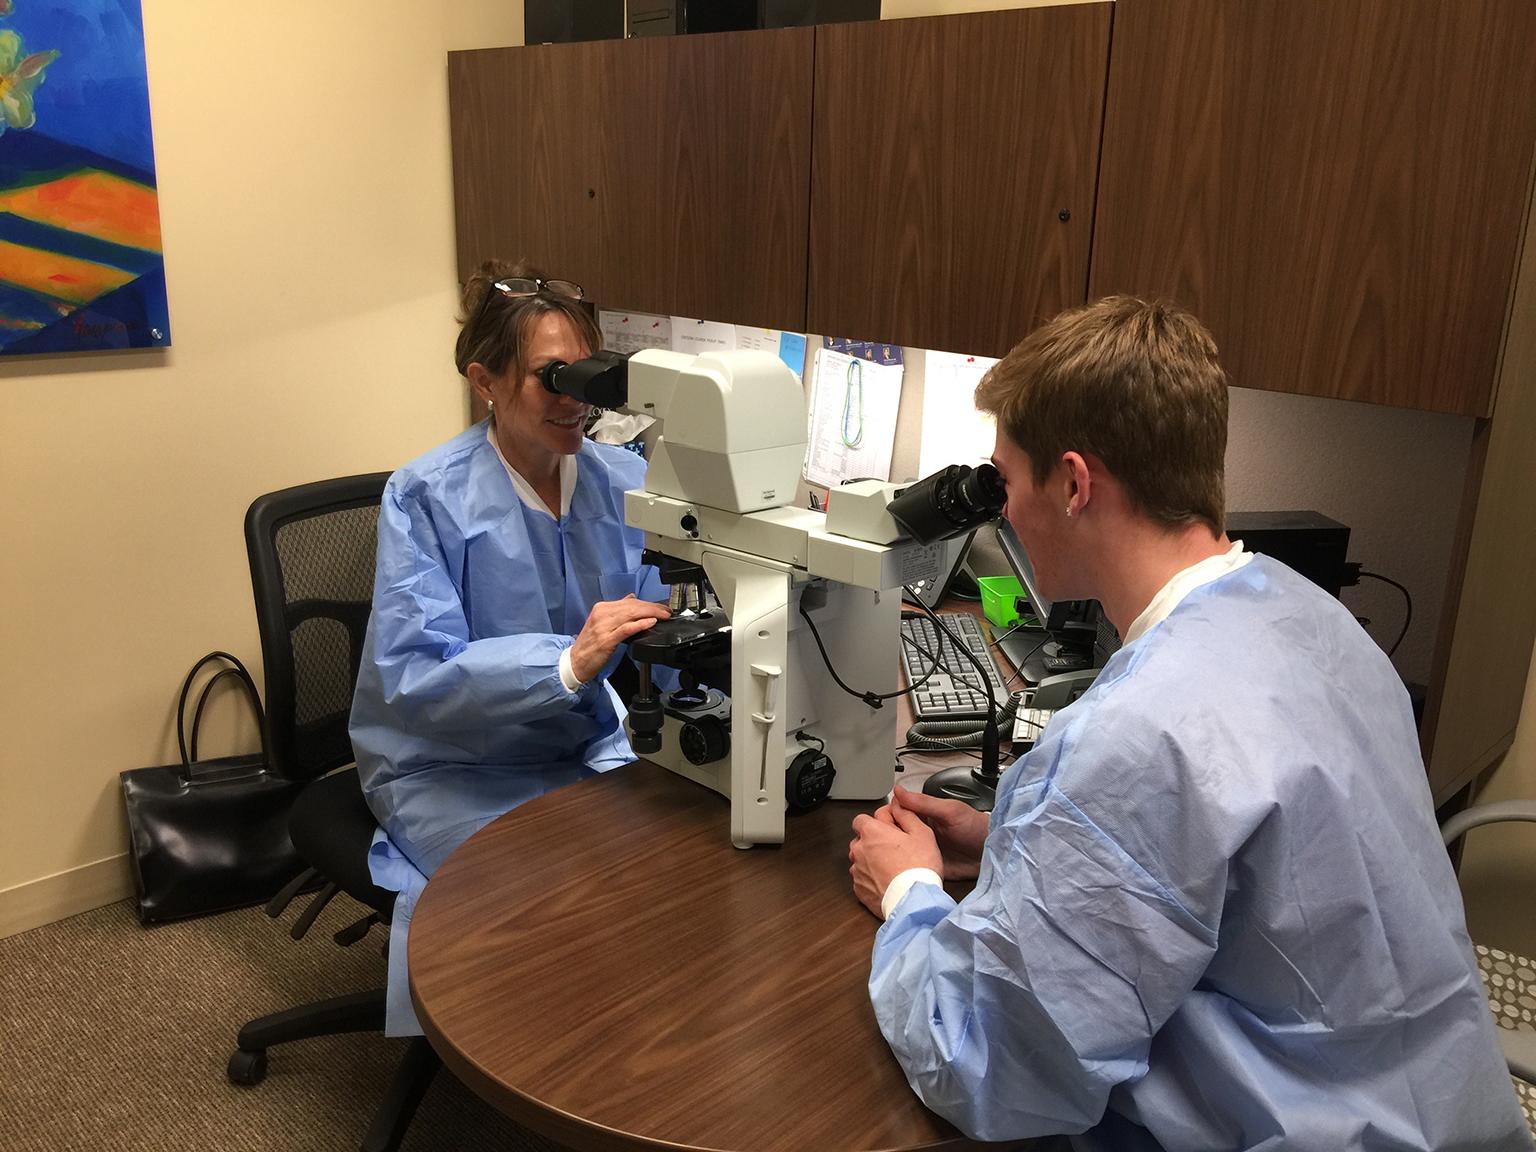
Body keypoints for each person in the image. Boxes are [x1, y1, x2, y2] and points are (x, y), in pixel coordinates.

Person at [848, 296, 1527, 1150]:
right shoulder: (1313, 621)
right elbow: (1247, 875)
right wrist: (1016, 839)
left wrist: (908, 891)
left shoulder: (1142, 732)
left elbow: (995, 1067)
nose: (1004, 510)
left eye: (1007, 480)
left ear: (1072, 483)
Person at [350, 260, 669, 1035]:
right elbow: (414, 674)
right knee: (540, 887)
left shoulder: (625, 479)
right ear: (483, 381)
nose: (573, 400)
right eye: (547, 378)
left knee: (677, 865)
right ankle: (516, 1058)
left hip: (582, 741)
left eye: (585, 377)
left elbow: (673, 609)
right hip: (448, 759)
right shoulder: (423, 495)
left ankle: (625, 1046)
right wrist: (564, 664)